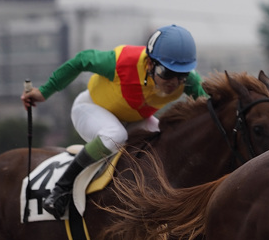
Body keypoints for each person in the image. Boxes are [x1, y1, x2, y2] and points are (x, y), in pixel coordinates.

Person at [21, 24, 207, 218]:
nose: (173, 83)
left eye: (181, 76)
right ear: (150, 63)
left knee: (165, 139)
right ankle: (62, 187)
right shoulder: (122, 62)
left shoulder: (190, 81)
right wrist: (44, 92)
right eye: (167, 73)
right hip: (90, 108)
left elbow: (212, 107)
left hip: (133, 119)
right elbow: (81, 60)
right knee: (116, 135)